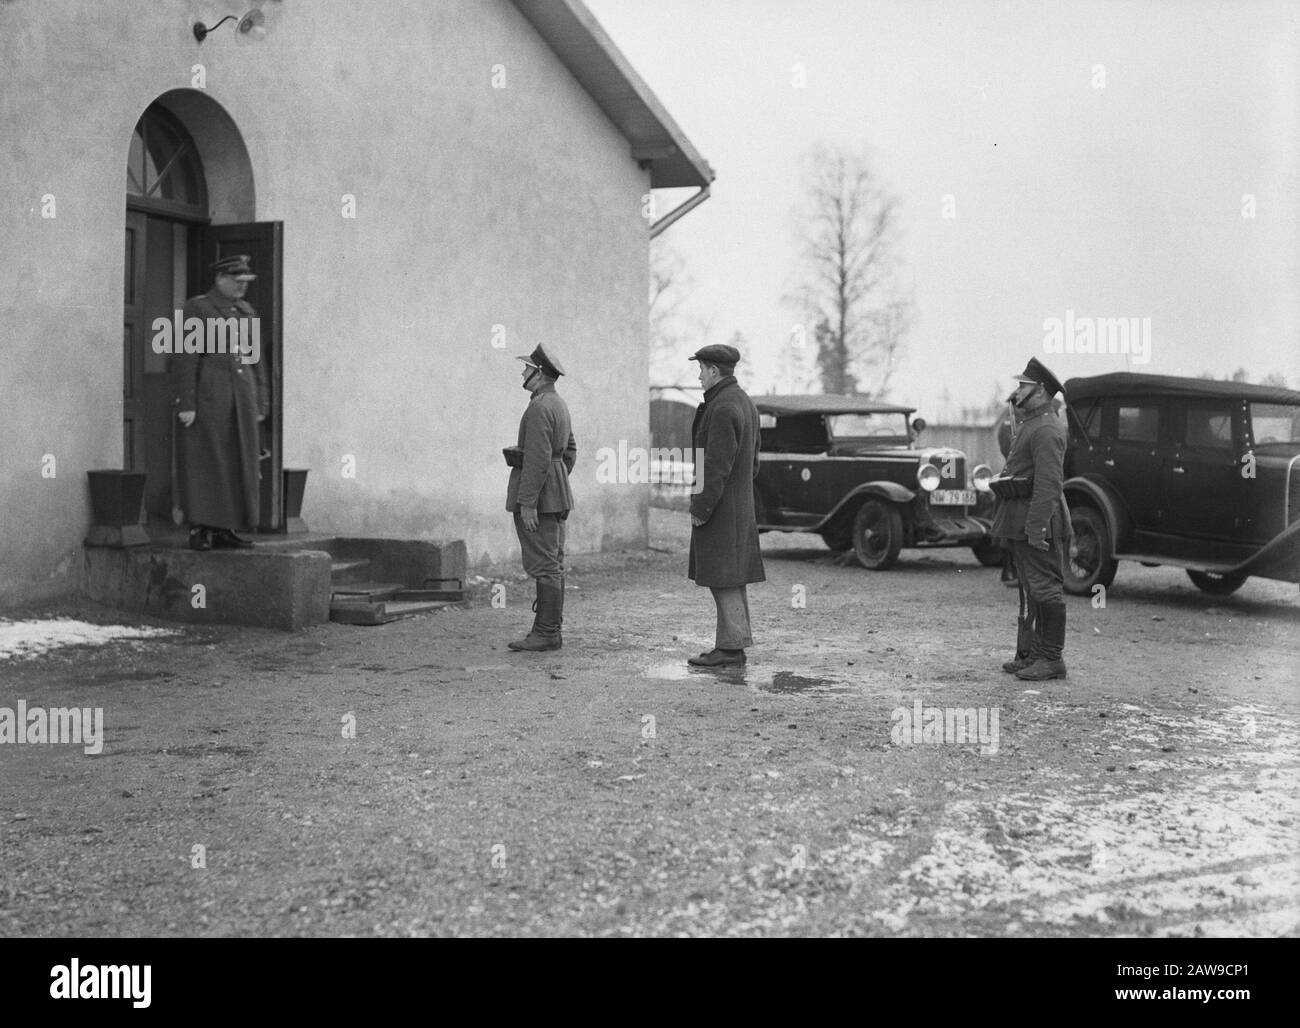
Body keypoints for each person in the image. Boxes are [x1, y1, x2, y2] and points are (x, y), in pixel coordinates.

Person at [172, 255, 269, 550]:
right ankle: (201, 528)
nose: (242, 287)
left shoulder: (245, 311)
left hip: (242, 394)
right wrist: (186, 402)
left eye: (245, 282)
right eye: (237, 281)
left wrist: (261, 398)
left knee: (239, 459)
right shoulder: (198, 308)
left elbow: (256, 359)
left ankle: (227, 527)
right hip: (211, 394)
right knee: (208, 460)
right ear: (220, 279)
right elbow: (186, 357)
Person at [989, 357, 1072, 680]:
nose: (1017, 390)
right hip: (1024, 518)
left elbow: (1049, 484)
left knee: (1045, 588)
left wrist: (1036, 527)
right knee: (1032, 588)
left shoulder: (1047, 429)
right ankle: (1036, 654)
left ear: (1039, 391)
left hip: (1040, 520)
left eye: (1022, 385)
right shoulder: (1031, 423)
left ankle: (1052, 658)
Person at [686, 344, 765, 667]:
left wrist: (701, 507)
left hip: (721, 509)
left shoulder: (721, 408)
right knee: (731, 575)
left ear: (714, 372)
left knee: (723, 576)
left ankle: (731, 648)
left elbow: (714, 466)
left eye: (702, 369)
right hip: (738, 506)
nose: (699, 376)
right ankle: (733, 643)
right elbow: (754, 463)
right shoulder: (744, 403)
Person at [505, 344, 576, 652]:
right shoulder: (558, 404)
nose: (523, 372)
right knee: (553, 561)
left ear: (539, 374)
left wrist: (529, 502)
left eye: (527, 369)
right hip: (556, 494)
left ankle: (547, 632)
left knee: (545, 563)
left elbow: (537, 457)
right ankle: (548, 629)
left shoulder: (539, 406)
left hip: (541, 498)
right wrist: (558, 480)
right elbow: (569, 450)